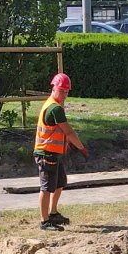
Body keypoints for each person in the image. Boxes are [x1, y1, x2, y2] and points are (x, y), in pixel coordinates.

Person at [34, 72, 89, 231]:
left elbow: (59, 132)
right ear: (54, 88)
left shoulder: (53, 104)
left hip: (54, 153)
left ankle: (53, 213)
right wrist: (81, 147)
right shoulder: (55, 108)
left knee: (60, 183)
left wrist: (68, 144)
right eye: (62, 91)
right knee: (46, 188)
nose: (64, 95)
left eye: (67, 92)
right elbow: (69, 132)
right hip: (46, 154)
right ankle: (44, 222)